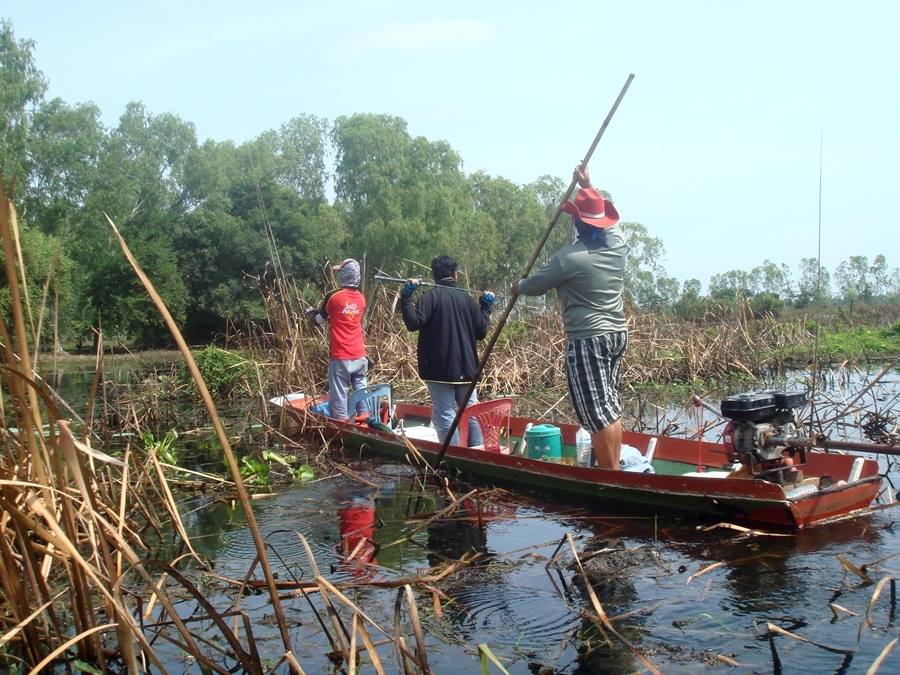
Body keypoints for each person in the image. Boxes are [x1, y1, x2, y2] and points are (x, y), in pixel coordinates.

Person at [513, 165, 626, 469]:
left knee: (596, 413)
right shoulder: (617, 247)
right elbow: (613, 226)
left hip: (589, 339)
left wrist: (518, 286)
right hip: (616, 335)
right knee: (609, 408)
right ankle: (612, 469)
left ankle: (611, 474)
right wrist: (590, 185)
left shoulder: (570, 257)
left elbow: (534, 286)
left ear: (577, 222)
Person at [400, 255, 495, 446]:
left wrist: (406, 298)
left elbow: (412, 323)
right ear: (455, 275)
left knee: (446, 416)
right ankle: (476, 453)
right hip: (467, 369)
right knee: (470, 414)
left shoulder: (430, 297)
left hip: (439, 370)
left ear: (434, 276)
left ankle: (452, 457)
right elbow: (481, 331)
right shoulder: (468, 300)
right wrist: (486, 308)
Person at [308, 258, 368, 421]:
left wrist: (310, 314)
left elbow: (319, 320)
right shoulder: (361, 299)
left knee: (339, 390)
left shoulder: (334, 296)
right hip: (360, 354)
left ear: (345, 275)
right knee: (360, 387)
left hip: (341, 354)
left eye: (340, 272)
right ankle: (365, 418)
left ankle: (341, 423)